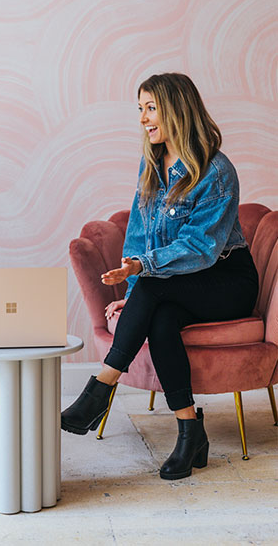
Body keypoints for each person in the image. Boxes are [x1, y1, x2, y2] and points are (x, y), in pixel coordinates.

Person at [61, 73, 259, 480]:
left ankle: (100, 388)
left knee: (152, 286)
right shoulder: (152, 164)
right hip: (174, 283)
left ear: (176, 109)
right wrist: (135, 291)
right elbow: (138, 235)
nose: (143, 119)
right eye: (140, 109)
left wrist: (141, 275)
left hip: (226, 281)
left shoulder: (215, 170)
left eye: (150, 108)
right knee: (162, 318)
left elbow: (200, 249)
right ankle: (190, 434)